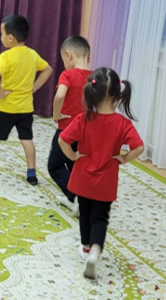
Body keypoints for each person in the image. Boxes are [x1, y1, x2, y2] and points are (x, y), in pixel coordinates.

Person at [58, 68, 143, 280]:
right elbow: (139, 148)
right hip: (106, 181)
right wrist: (124, 158)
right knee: (100, 217)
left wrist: (73, 155)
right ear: (116, 97)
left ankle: (86, 247)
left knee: (85, 212)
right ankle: (96, 251)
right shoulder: (123, 124)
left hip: (83, 179)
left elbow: (62, 140)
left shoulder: (83, 119)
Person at [0, 14, 53, 185]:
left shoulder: (6, 56)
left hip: (6, 107)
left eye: (2, 33)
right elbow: (48, 70)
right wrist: (35, 87)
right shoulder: (32, 54)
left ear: (10, 38)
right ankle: (31, 172)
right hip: (26, 108)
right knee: (27, 139)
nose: (1, 37)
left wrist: (1, 94)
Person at [48, 36, 91, 216]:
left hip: (66, 131)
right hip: (86, 132)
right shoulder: (94, 78)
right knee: (75, 165)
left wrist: (56, 114)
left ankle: (76, 198)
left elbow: (59, 96)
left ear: (69, 55)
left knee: (55, 166)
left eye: (64, 60)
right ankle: (79, 199)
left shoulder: (68, 75)